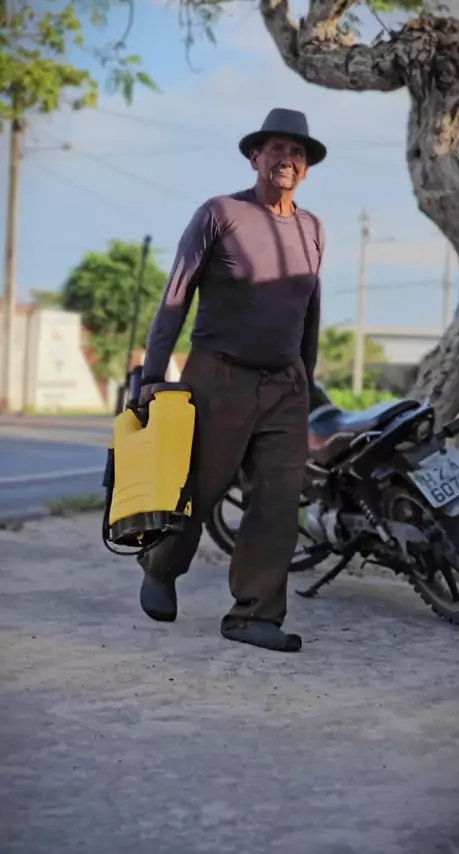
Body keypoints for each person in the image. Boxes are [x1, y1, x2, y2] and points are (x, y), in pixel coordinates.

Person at [138, 108, 326, 652]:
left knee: (278, 501)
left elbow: (309, 311)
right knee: (197, 489)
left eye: (297, 152)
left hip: (285, 383)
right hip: (219, 373)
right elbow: (175, 297)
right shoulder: (220, 213)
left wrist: (307, 384)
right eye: (277, 149)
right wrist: (152, 376)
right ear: (255, 158)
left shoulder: (313, 228)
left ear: (306, 167)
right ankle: (160, 565)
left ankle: (253, 615)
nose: (287, 159)